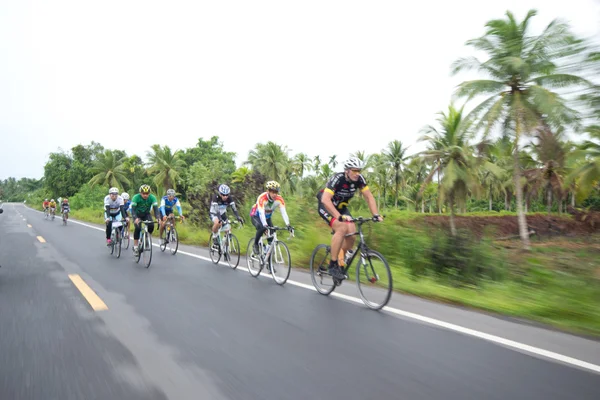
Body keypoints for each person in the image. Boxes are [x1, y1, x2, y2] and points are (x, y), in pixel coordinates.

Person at [316, 157, 383, 280]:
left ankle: (339, 256)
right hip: (326, 206)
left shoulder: (359, 180)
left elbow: (369, 197)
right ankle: (333, 264)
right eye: (354, 171)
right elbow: (325, 200)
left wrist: (375, 214)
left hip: (341, 208)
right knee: (341, 227)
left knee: (352, 234)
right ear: (347, 171)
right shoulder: (338, 179)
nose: (357, 174)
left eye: (359, 171)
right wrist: (338, 217)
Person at [249, 181, 293, 255]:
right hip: (256, 216)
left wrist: (288, 225)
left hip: (267, 218)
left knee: (271, 240)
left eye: (276, 192)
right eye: (272, 192)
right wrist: (265, 225)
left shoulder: (279, 199)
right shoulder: (262, 198)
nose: (275, 194)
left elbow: (283, 212)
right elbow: (261, 213)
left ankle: (268, 259)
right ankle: (255, 244)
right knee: (262, 228)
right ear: (268, 191)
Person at [130, 184, 160, 256]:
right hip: (137, 214)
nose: (145, 195)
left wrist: (158, 218)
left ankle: (145, 236)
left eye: (147, 194)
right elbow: (133, 210)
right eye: (143, 194)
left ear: (149, 193)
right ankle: (136, 246)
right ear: (140, 193)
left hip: (146, 214)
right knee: (137, 228)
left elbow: (156, 209)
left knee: (151, 225)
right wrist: (135, 218)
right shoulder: (136, 197)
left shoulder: (152, 198)